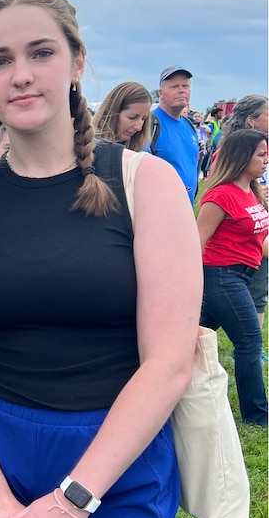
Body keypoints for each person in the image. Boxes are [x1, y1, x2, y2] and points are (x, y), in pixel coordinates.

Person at [0, 0, 201, 518]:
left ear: (77, 62)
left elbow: (168, 363)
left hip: (114, 458)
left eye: (41, 52)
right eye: (0, 60)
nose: (21, 74)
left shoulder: (147, 184)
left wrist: (72, 501)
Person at [197, 129, 269, 426]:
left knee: (186, 342)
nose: (266, 160)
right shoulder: (221, 195)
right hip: (222, 277)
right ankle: (258, 417)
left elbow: (261, 242)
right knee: (250, 342)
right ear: (241, 158)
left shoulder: (251, 191)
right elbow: (195, 243)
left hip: (240, 276)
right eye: (261, 155)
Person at [216, 95, 269, 326]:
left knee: (258, 292)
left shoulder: (263, 151)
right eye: (267, 115)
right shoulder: (228, 153)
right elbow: (218, 191)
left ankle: (254, 345)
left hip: (259, 224)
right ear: (250, 121)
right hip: (238, 241)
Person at [151, 66, 200, 204]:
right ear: (160, 93)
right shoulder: (150, 124)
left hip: (186, 211)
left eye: (186, 86)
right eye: (174, 86)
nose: (181, 90)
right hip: (158, 212)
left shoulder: (189, 126)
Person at [91, 81, 153, 151]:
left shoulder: (142, 148)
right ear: (113, 112)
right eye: (132, 117)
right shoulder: (87, 147)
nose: (139, 127)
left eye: (143, 119)